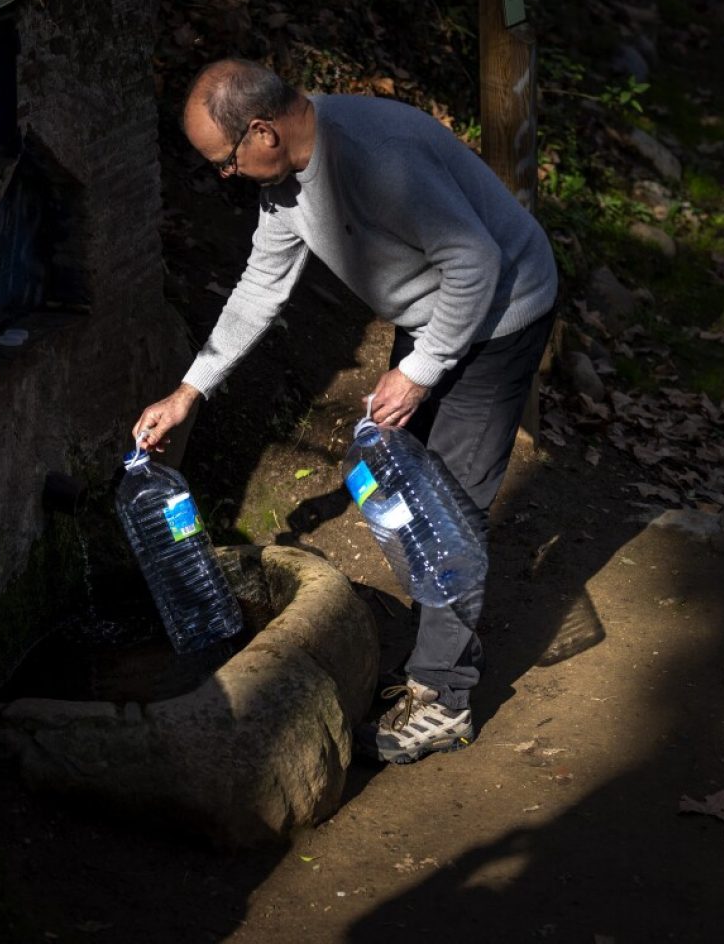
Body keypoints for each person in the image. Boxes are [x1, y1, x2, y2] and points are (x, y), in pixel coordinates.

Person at [134, 58, 557, 764]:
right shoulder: (288, 180)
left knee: (446, 505)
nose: (225, 178)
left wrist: (418, 374)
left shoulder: (371, 157)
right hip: (434, 311)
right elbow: (260, 287)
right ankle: (434, 646)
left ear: (262, 131)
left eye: (226, 161)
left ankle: (444, 696)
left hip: (501, 313)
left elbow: (477, 262)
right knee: (392, 480)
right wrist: (188, 392)